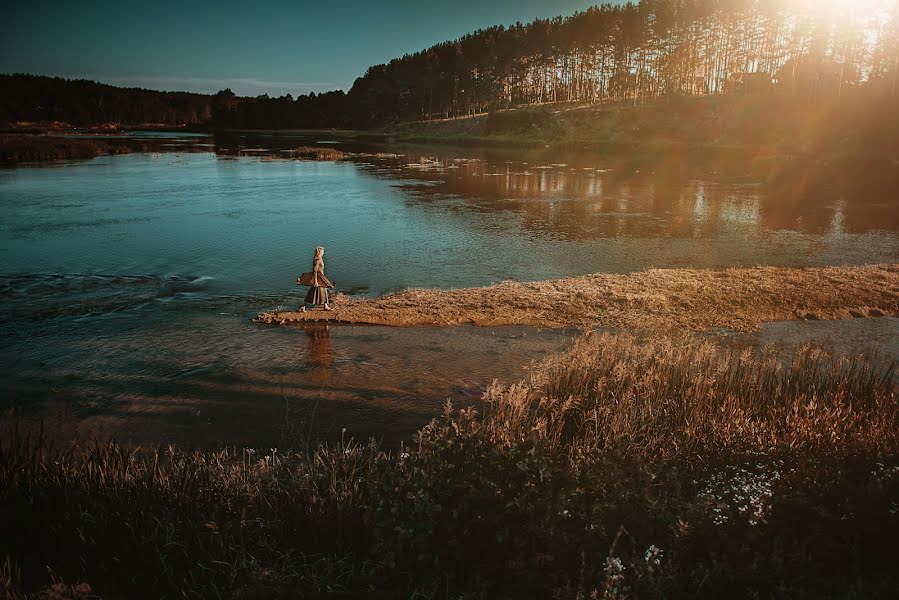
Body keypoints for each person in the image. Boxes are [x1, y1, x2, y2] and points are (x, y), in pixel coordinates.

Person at [297, 245, 334, 311]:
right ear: (319, 252)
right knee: (321, 291)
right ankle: (325, 306)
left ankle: (304, 305)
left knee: (313, 292)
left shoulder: (320, 259)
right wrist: (316, 281)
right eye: (322, 252)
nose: (323, 253)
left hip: (321, 278)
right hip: (318, 279)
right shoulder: (317, 260)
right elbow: (315, 271)